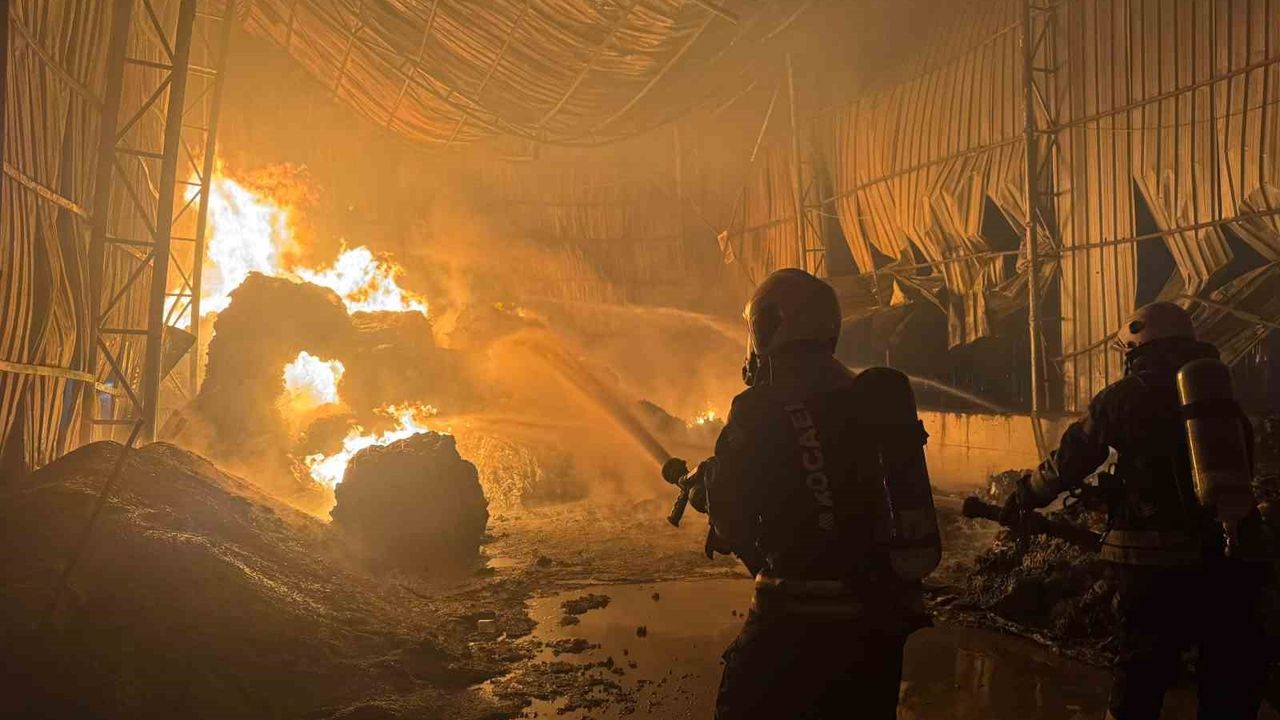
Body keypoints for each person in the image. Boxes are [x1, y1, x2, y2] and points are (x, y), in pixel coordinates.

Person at [999, 301, 1270, 720]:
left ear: (1136, 348)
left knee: (1142, 672)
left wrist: (1024, 495)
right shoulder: (1221, 393)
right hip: (1228, 554)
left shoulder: (1124, 397)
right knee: (1225, 675)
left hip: (1153, 563)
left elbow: (1070, 460)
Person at [691, 268, 927, 720]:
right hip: (875, 628)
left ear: (768, 326)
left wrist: (716, 501)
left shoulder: (758, 407)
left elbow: (734, 520)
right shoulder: (868, 398)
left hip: (792, 620)